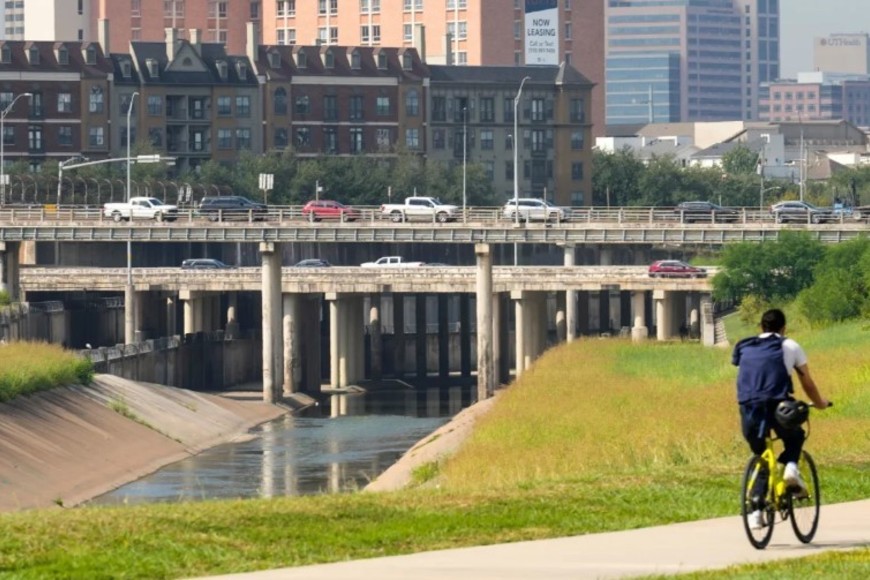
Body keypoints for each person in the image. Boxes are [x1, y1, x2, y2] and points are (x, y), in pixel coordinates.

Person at [731, 308, 831, 529]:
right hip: (778, 406)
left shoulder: (745, 346)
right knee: (796, 436)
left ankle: (756, 510)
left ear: (761, 327)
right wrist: (821, 403)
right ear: (783, 328)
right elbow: (807, 383)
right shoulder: (790, 346)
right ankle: (791, 468)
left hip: (749, 408)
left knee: (762, 456)